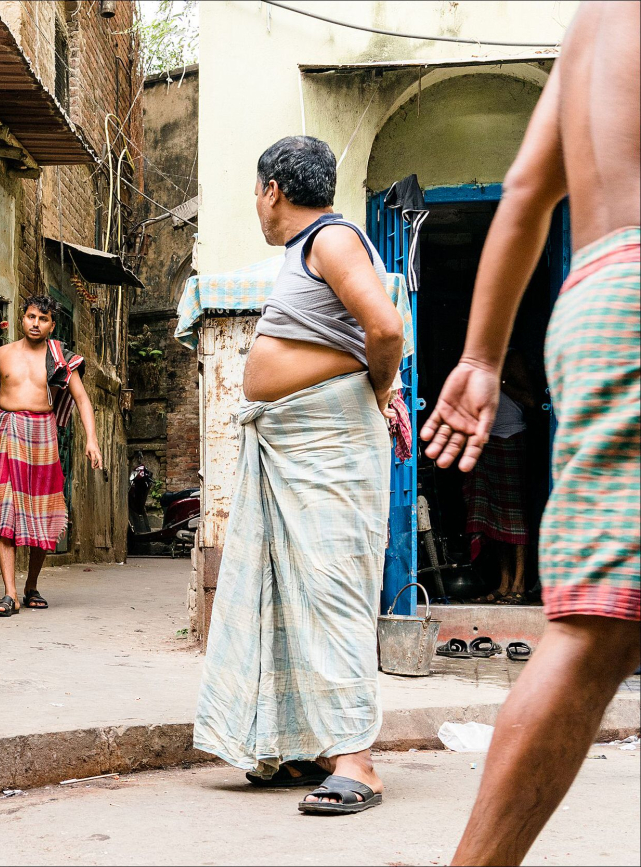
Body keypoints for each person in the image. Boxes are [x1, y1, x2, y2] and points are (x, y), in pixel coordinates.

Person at [419, 4, 639, 863]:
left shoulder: (594, 23)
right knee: (594, 634)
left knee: (594, 626)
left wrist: (480, 355)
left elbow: (524, 192)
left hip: (599, 295)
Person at [192, 136, 404, 815]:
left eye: (257, 193)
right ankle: (309, 744)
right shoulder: (311, 248)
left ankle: (357, 761)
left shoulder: (331, 240)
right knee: (291, 593)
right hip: (298, 450)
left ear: (272, 191)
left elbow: (386, 330)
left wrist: (375, 385)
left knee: (332, 590)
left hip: (329, 447)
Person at [0, 295, 101, 617]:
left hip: (44, 434)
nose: (35, 323)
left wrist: (92, 440)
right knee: (5, 511)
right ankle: (9, 594)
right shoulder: (2, 354)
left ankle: (31, 585)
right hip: (7, 433)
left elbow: (82, 399)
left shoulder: (59, 357)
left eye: (43, 319)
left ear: (51, 325)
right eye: (31, 316)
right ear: (23, 318)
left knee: (41, 513)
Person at [464, 352, 536, 604]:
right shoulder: (479, 358)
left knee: (515, 516)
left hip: (511, 439)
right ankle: (504, 584)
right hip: (486, 441)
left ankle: (519, 584)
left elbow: (531, 400)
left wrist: (500, 381)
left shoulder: (512, 359)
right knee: (493, 517)